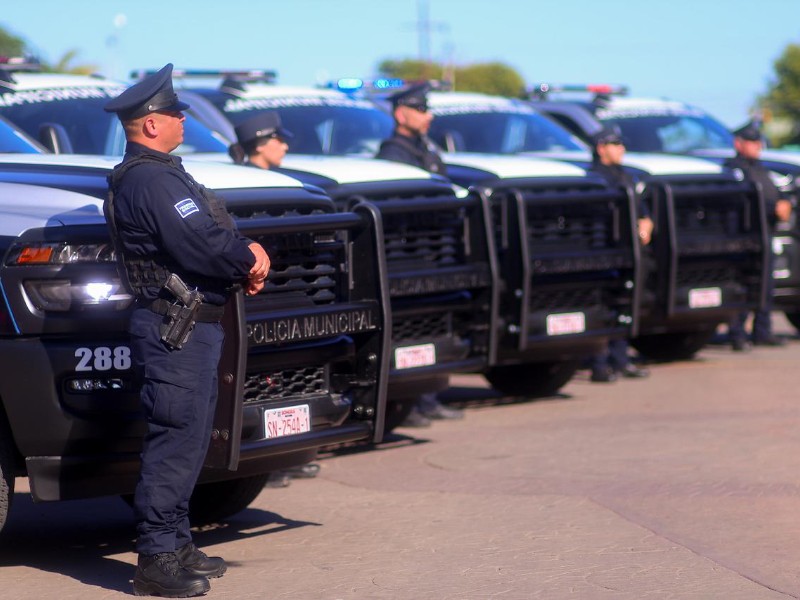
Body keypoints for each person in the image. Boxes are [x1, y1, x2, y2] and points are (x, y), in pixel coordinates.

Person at [104, 64, 270, 597]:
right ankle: (156, 559)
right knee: (175, 439)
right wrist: (248, 257)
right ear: (151, 124)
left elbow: (208, 228)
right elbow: (200, 242)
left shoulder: (160, 173)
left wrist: (242, 253)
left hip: (189, 326)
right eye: (175, 113)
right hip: (173, 329)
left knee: (190, 438)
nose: (182, 119)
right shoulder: (150, 179)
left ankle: (175, 543)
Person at [228, 110, 322, 483]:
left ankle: (285, 454)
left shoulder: (282, 183)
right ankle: (262, 463)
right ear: (260, 143)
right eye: (278, 139)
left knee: (284, 379)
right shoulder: (243, 186)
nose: (284, 146)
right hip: (257, 297)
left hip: (287, 296)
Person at [376, 82, 462, 427]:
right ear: (401, 114)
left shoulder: (424, 148)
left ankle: (428, 396)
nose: (429, 116)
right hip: (406, 256)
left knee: (430, 326)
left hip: (431, 253)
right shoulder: (393, 154)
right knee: (408, 331)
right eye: (421, 110)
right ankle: (408, 402)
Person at [588, 125, 652, 383]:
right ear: (601, 148)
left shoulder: (626, 175)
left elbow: (642, 209)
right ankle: (599, 364)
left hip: (631, 251)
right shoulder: (594, 178)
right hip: (607, 251)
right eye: (615, 145)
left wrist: (646, 222)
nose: (621, 149)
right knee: (603, 304)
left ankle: (621, 359)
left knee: (626, 303)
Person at [726, 121, 792, 351]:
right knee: (744, 285)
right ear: (739, 144)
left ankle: (762, 331)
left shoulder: (760, 168)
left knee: (765, 285)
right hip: (745, 238)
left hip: (765, 235)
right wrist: (773, 207)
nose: (758, 146)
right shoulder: (734, 170)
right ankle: (737, 333)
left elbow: (777, 191)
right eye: (752, 142)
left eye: (758, 142)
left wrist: (784, 203)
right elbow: (745, 201)